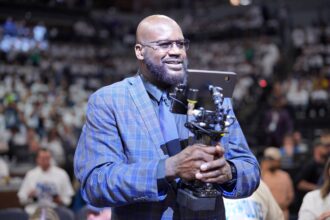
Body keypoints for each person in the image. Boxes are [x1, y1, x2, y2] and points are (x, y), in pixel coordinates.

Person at [74, 14, 260, 219]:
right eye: (164, 44)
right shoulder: (109, 101)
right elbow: (95, 184)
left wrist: (229, 173)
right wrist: (167, 168)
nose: (176, 52)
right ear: (140, 51)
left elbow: (250, 170)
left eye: (180, 44)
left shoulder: (211, 94)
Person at [17, 148, 74, 215]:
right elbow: (21, 199)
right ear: (37, 159)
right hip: (34, 211)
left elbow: (68, 198)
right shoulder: (30, 174)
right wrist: (29, 196)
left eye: (47, 158)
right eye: (42, 158)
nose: (45, 160)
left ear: (51, 158)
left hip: (55, 211)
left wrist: (60, 200)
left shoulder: (61, 174)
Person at [261, 147, 294, 220]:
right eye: (268, 160)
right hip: (265, 213)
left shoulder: (285, 176)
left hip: (282, 213)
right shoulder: (261, 176)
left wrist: (284, 205)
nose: (270, 162)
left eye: (272, 160)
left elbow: (290, 196)